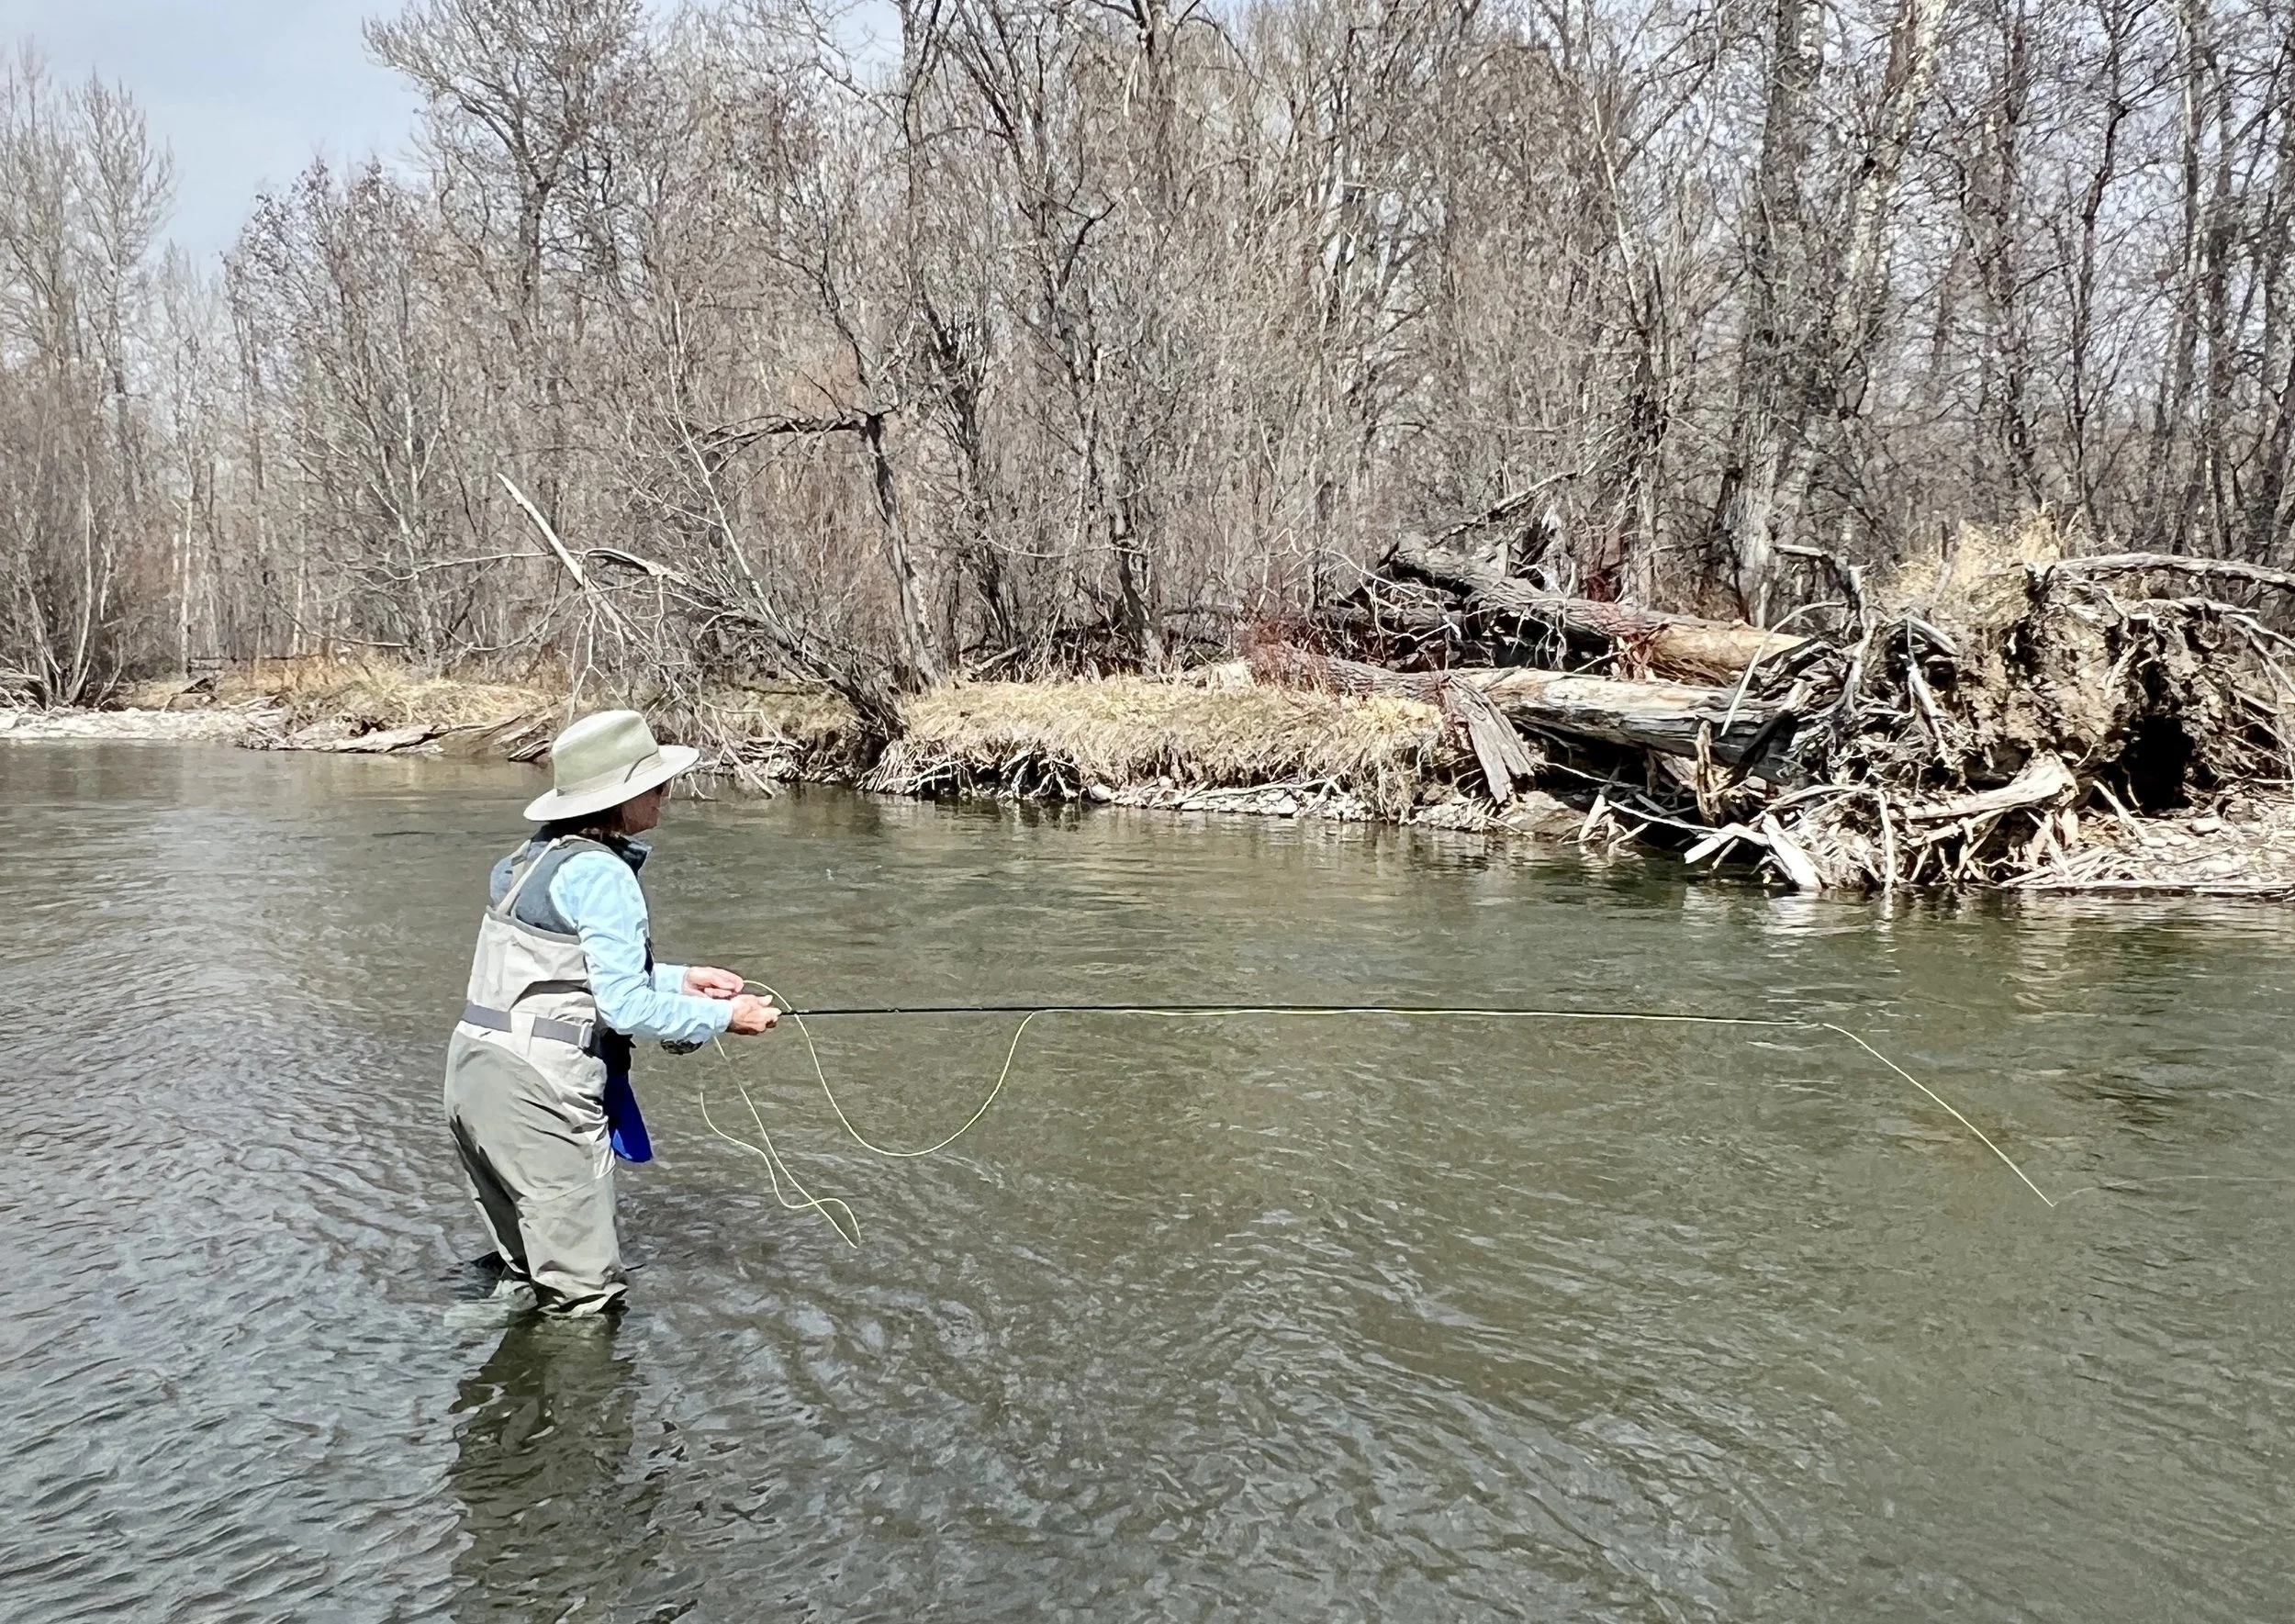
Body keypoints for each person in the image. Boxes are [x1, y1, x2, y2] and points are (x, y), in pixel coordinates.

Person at [443, 709, 777, 1314]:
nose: (665, 792)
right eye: (654, 783)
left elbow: (563, 967)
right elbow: (622, 1006)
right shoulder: (603, 874)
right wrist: (727, 1018)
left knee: (524, 1274)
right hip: (538, 1094)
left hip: (472, 1076)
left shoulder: (527, 861)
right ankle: (585, 1402)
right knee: (583, 1298)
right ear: (619, 799)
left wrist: (683, 980)